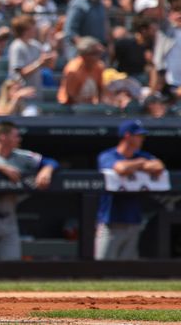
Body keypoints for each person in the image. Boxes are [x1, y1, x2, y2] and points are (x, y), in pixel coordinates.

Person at [0, 121, 58, 260]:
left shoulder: (21, 155)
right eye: (15, 136)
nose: (19, 139)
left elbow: (50, 161)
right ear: (3, 137)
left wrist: (47, 170)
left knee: (11, 263)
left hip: (9, 217)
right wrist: (1, 167)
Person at [96, 120, 166, 260]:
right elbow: (121, 168)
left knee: (128, 272)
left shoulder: (142, 154)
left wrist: (135, 165)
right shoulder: (108, 155)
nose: (142, 139)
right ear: (127, 136)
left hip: (133, 221)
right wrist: (141, 164)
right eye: (138, 135)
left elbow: (159, 166)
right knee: (102, 268)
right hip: (111, 222)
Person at [58, 36, 106, 105]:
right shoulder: (73, 70)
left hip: (90, 107)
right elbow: (70, 98)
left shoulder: (99, 67)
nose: (98, 56)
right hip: (69, 109)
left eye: (99, 53)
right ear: (84, 55)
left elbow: (101, 90)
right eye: (94, 53)